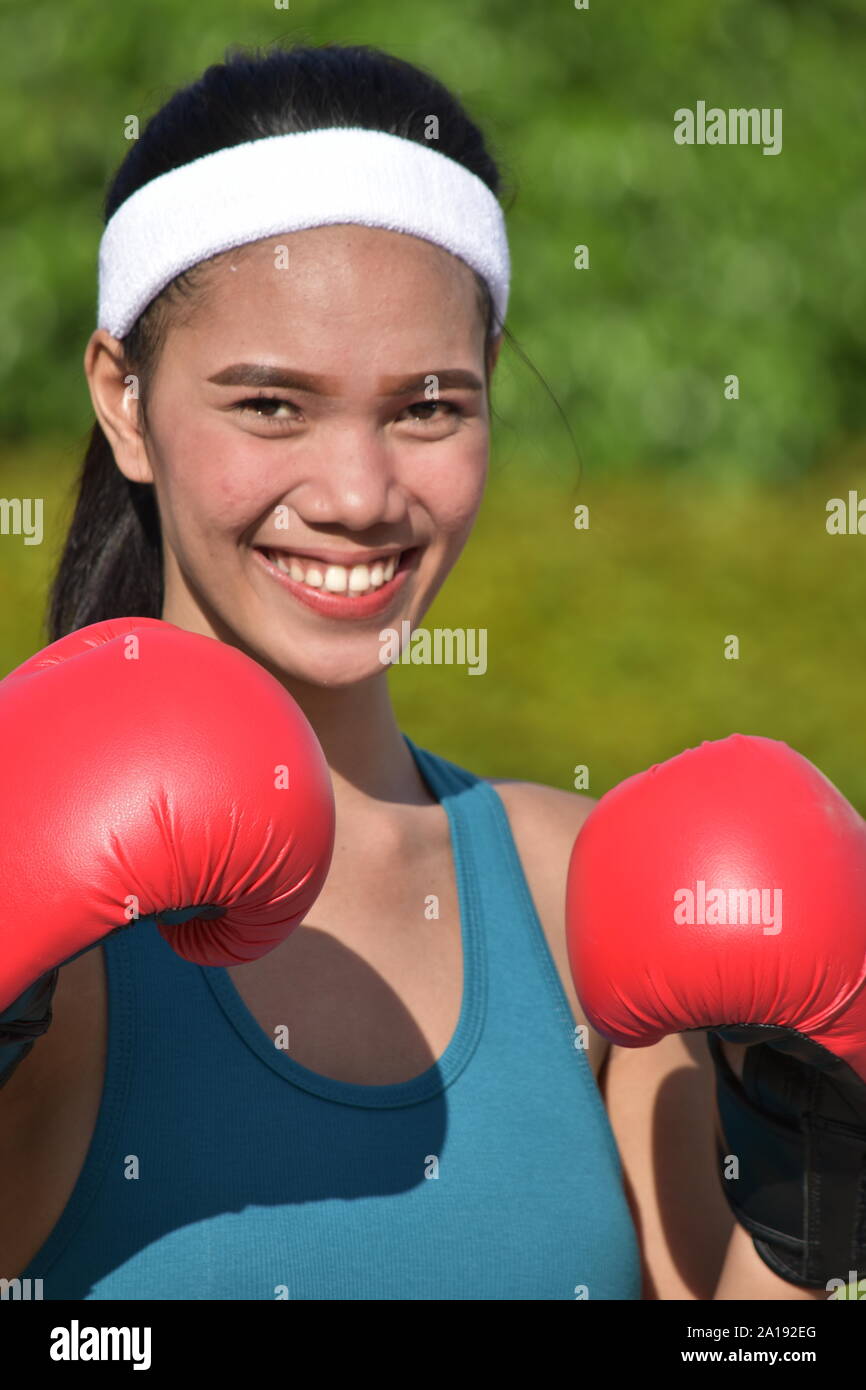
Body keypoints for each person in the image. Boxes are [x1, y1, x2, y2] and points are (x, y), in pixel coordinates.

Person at [0, 40, 824, 1301]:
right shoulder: (38, 899)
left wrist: (815, 1205)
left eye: (426, 406)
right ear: (123, 401)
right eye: (270, 405)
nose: (357, 493)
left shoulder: (580, 891)